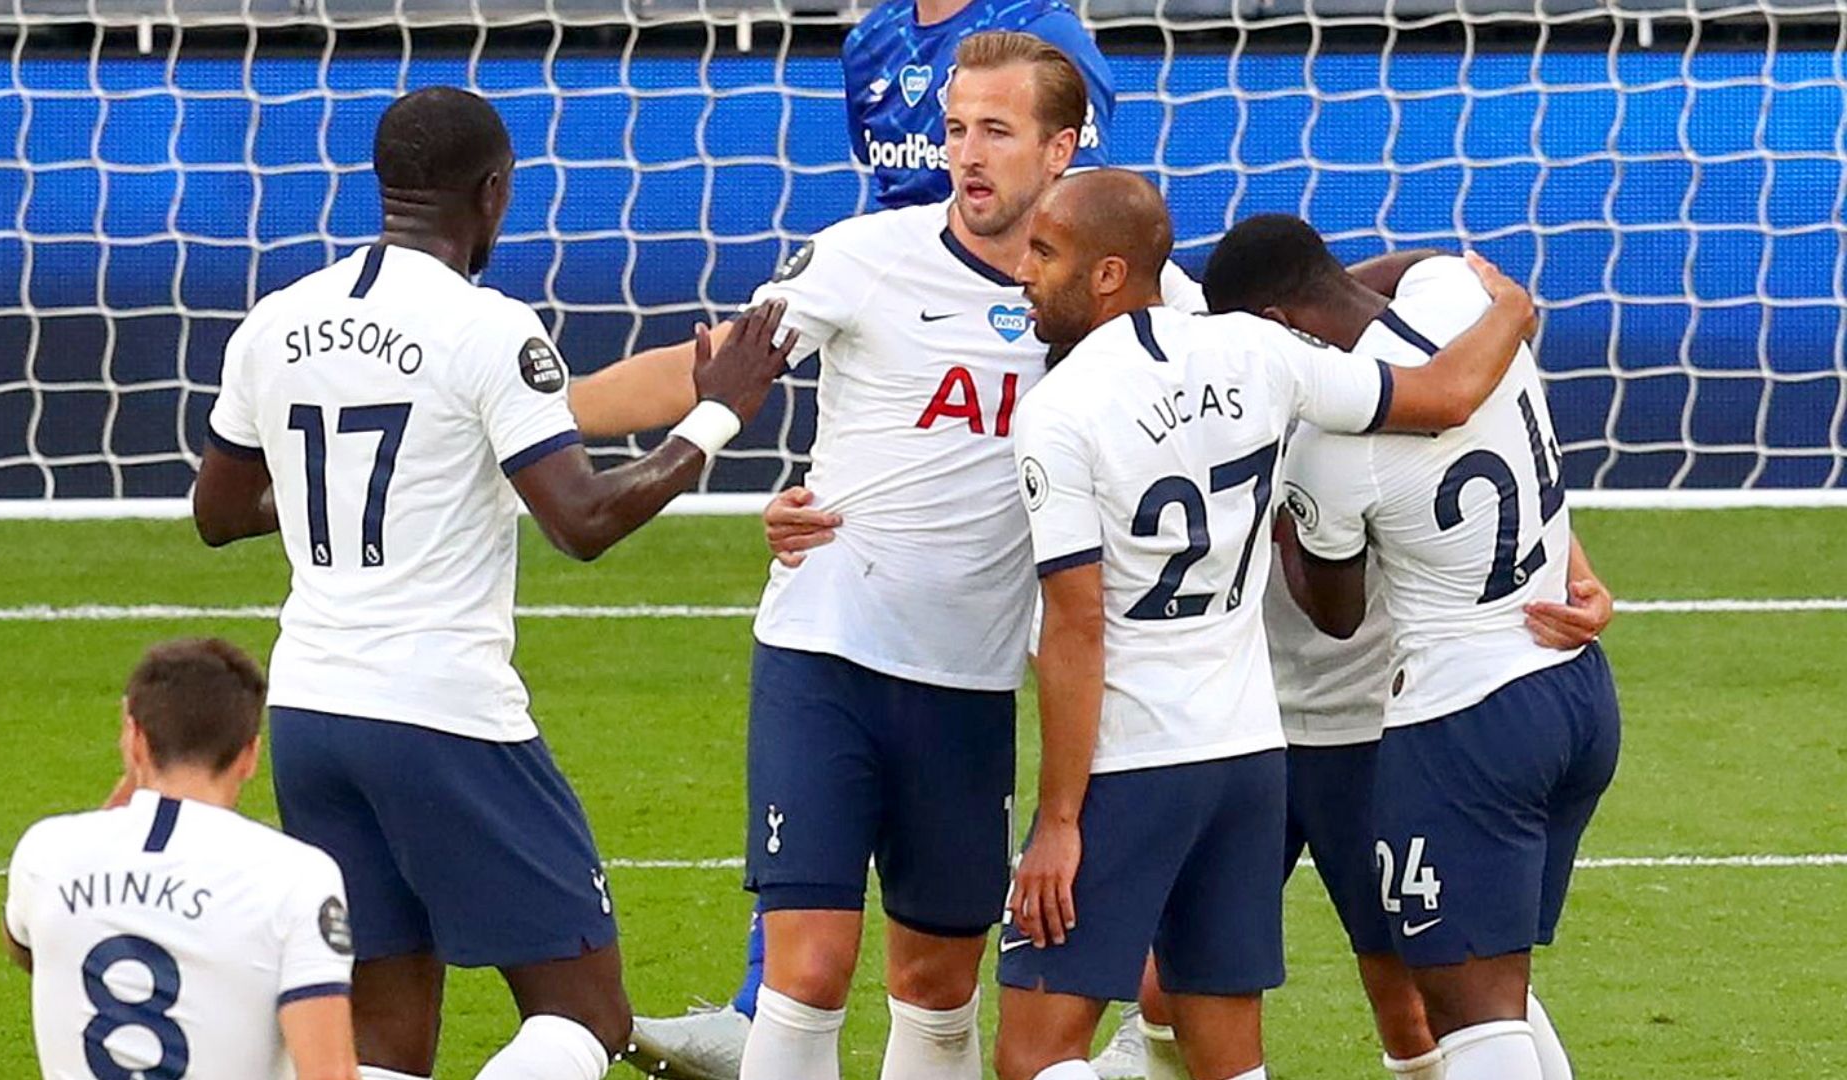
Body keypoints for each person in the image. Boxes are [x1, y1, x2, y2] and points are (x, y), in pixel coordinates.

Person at [574, 33, 1202, 1080]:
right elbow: (715, 364)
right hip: (826, 654)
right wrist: (539, 423)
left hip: (968, 681)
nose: (967, 152)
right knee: (808, 970)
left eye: (997, 130)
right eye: (957, 128)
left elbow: (1249, 372)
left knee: (938, 988)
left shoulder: (1129, 293)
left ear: (1063, 147)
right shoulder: (868, 256)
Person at [190, 85, 794, 1080]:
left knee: (385, 1034)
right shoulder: (487, 329)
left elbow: (218, 513)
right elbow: (583, 521)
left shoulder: (275, 322)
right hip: (445, 716)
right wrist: (718, 416)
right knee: (585, 1019)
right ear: (494, 193)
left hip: (309, 715)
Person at [993, 170, 1536, 1080]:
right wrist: (1511, 313)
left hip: (1132, 763)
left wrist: (1057, 822)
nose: (1021, 273)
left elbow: (1076, 631)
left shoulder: (1060, 412)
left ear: (1108, 274)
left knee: (1032, 1055)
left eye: (1042, 253)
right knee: (1227, 1061)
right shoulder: (1258, 354)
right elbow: (1443, 395)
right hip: (1247, 760)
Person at [1124, 245, 1616, 1080]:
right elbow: (1425, 270)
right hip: (1556, 686)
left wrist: (1289, 506)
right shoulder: (1463, 303)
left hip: (1441, 714)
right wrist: (1510, 309)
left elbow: (1339, 612)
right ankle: (1144, 1051)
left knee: (1457, 1002)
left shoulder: (1334, 436)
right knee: (1481, 982)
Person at [3, 638, 359, 1080]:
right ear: (249, 756)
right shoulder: (296, 877)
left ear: (134, 740)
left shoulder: (47, 854)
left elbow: (28, 946)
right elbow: (330, 1074)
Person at [846, 0, 1112, 209]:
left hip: (1010, 268)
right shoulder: (867, 43)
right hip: (905, 263)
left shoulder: (1042, 30)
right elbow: (877, 164)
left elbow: (1077, 193)